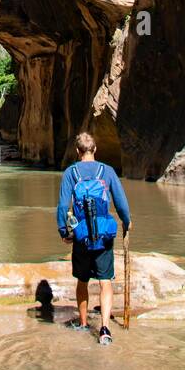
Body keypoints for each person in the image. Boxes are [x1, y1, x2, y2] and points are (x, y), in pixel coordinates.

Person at [56, 131, 131, 345]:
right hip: (104, 234)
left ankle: (83, 323)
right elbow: (121, 201)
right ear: (95, 149)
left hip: (81, 236)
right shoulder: (106, 171)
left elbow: (62, 206)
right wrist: (127, 221)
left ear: (77, 151)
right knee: (105, 281)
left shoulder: (71, 173)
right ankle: (105, 329)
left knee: (82, 280)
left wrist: (64, 232)